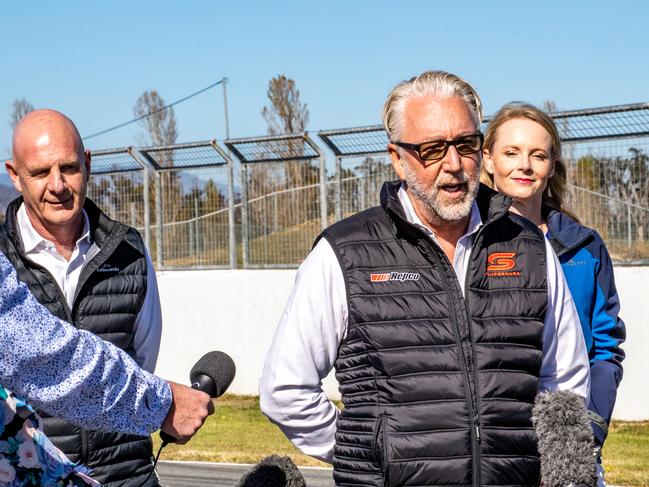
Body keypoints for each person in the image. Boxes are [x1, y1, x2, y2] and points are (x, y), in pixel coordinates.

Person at [260, 70, 590, 487]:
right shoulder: (344, 252)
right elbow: (285, 390)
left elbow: (565, 380)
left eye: (466, 145)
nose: (453, 165)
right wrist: (371, 452)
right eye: (432, 150)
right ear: (397, 157)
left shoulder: (529, 247)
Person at [2, 108, 163, 486]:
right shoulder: (1, 260)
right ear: (15, 176)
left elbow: (144, 362)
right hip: (31, 475)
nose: (57, 185)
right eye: (40, 172)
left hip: (126, 474)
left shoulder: (129, 250)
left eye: (69, 168)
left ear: (87, 165)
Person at [480, 102, 625, 483]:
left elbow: (606, 349)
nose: (524, 165)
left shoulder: (584, 247)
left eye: (537, 155)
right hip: (493, 442)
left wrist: (586, 430)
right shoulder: (466, 244)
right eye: (510, 152)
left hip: (567, 438)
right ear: (488, 160)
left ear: (551, 165)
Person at [0, 248, 214, 476]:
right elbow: (38, 354)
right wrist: (160, 403)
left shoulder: (127, 247)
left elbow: (144, 359)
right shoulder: (6, 244)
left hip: (125, 468)